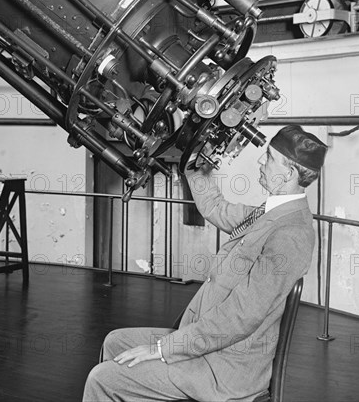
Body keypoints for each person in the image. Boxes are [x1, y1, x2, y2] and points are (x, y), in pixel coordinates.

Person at [83, 125, 328, 402]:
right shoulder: (271, 212)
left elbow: (240, 318)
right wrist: (193, 162)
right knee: (115, 341)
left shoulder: (291, 233)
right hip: (210, 344)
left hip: (224, 368)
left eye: (269, 157)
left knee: (102, 379)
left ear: (289, 173)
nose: (261, 161)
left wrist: (164, 349)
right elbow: (215, 207)